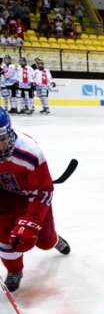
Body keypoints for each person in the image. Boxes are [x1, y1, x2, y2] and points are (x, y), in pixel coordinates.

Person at [0, 108, 70, 291]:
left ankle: (53, 240)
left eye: (2, 140)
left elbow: (44, 191)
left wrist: (32, 221)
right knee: (4, 238)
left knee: (43, 241)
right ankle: (14, 270)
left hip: (32, 196)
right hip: (4, 197)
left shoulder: (29, 152)